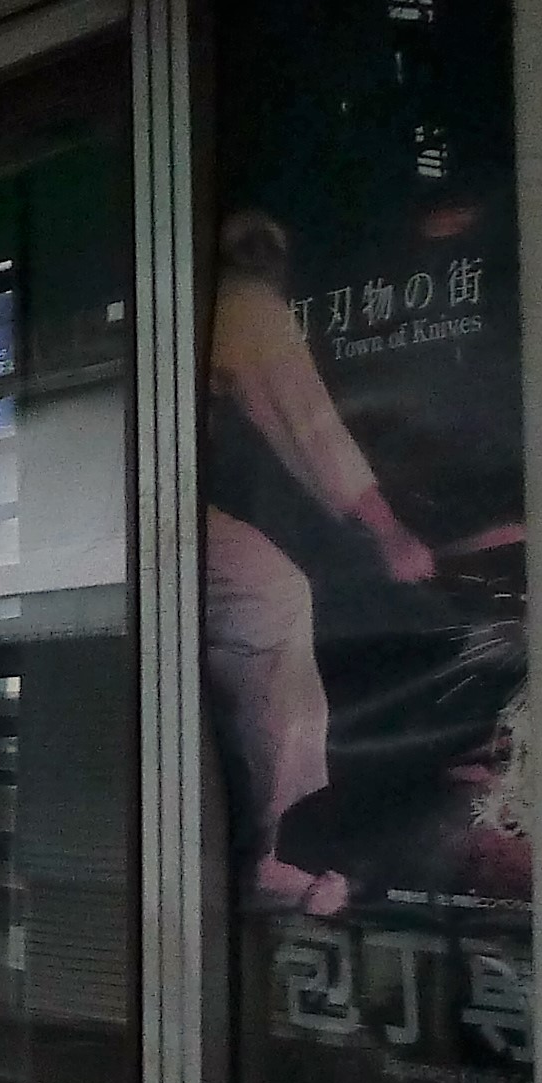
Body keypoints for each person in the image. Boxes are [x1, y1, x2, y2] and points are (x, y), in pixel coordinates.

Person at [203, 211, 436, 921]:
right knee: (272, 599)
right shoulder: (243, 302)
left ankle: (251, 839)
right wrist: (391, 535)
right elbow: (311, 430)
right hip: (141, 511)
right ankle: (268, 856)